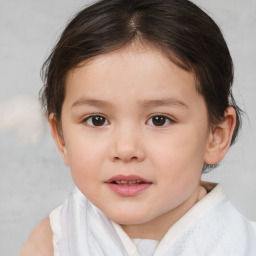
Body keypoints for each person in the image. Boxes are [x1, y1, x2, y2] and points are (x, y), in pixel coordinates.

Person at [20, 0, 256, 255]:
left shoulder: (245, 243)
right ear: (61, 138)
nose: (125, 149)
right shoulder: (53, 242)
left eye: (159, 120)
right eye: (97, 120)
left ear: (215, 136)